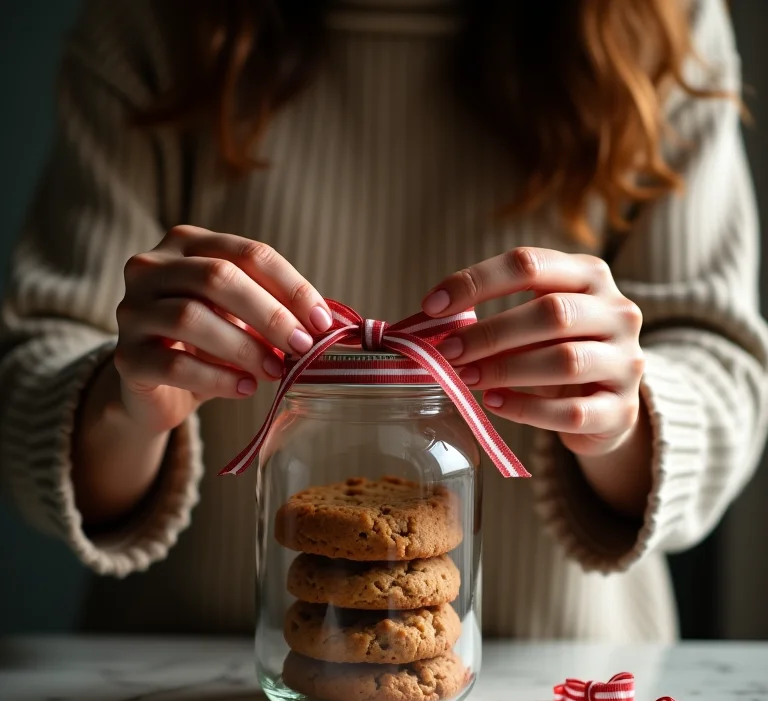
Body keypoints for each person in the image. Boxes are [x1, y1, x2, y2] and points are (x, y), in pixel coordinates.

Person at [1, 0, 766, 640]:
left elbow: (725, 363)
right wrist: (126, 406)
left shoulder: (664, 24)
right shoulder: (151, 23)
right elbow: (33, 364)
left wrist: (621, 421)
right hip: (182, 698)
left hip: (563, 690)